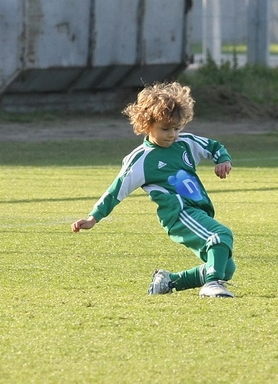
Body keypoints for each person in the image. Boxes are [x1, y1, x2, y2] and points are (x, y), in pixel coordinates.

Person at [71, 81, 236, 298]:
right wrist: (94, 218)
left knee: (227, 267)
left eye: (176, 128)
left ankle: (168, 281)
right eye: (165, 129)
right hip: (178, 213)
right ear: (146, 125)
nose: (172, 134)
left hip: (198, 210)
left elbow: (213, 147)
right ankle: (212, 285)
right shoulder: (141, 159)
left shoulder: (185, 142)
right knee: (220, 234)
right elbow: (116, 190)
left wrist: (223, 160)